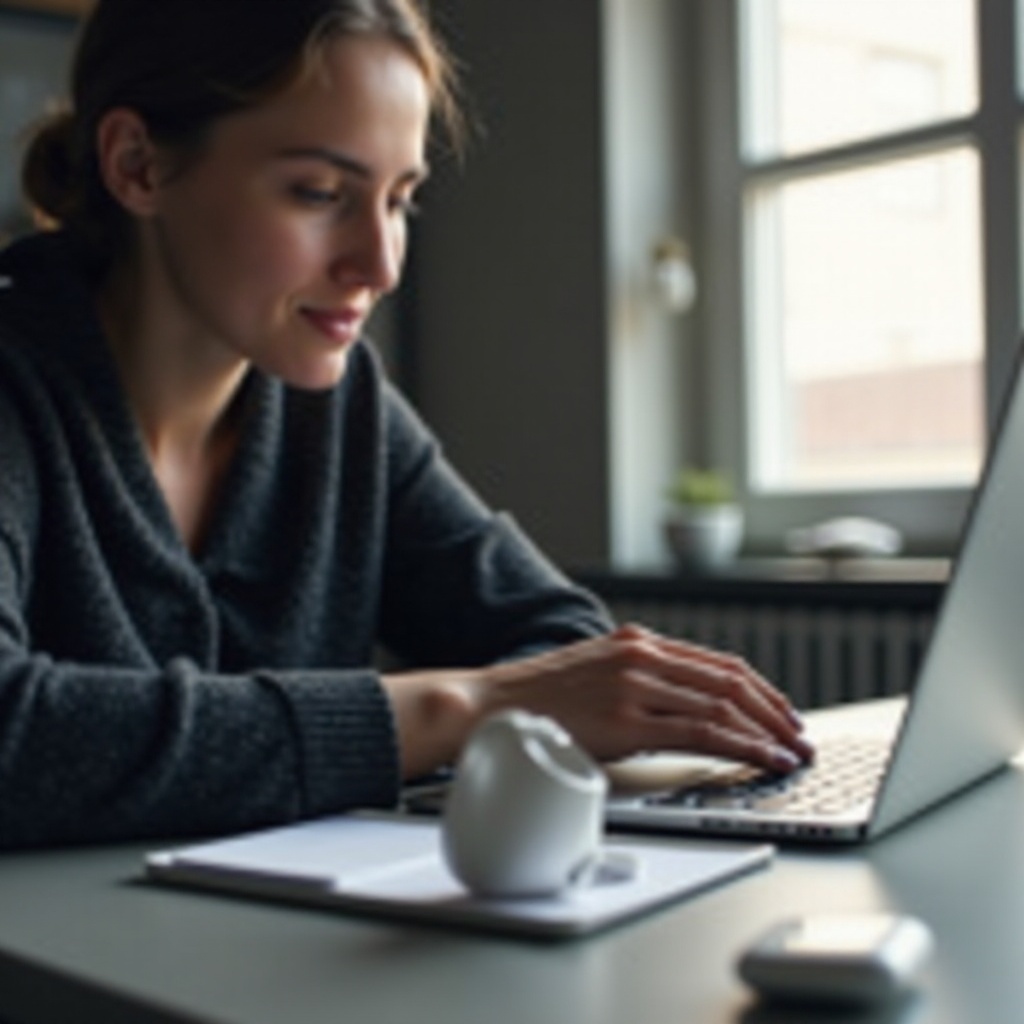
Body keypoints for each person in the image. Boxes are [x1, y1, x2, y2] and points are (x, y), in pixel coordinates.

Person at [0, 0, 811, 849]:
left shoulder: (342, 410)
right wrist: (455, 708)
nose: (378, 264)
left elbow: (557, 639)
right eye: (319, 193)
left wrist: (505, 702)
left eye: (400, 201)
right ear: (138, 166)